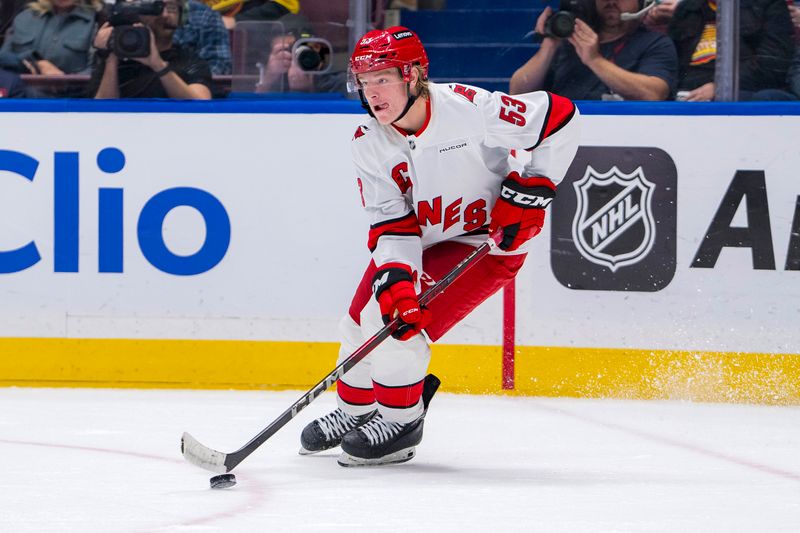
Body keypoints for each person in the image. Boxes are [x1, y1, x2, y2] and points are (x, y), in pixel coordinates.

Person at [298, 27, 580, 467]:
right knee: (360, 319)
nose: (371, 93)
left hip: (487, 245)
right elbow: (392, 224)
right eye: (363, 81)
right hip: (424, 243)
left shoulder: (469, 108)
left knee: (391, 326)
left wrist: (534, 187)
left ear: (412, 76)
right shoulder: (368, 141)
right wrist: (397, 278)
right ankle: (355, 410)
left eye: (381, 78)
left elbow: (559, 117)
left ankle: (401, 421)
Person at [510, 0, 677, 100]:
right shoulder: (570, 43)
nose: (611, 1)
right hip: (563, 131)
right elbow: (518, 92)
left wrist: (594, 60)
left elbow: (653, 93)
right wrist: (549, 44)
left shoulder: (655, 43)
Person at [668, 0, 794, 101]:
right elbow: (670, 62)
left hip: (741, 93)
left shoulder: (770, 4)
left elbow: (773, 64)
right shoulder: (687, 8)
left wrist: (719, 87)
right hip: (687, 93)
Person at [89, 0, 212, 98]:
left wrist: (158, 64)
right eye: (156, 8)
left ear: (181, 17)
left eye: (171, 8)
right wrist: (111, 59)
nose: (164, 15)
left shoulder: (190, 60)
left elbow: (201, 105)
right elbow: (101, 111)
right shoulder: (114, 60)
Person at [0, 0, 101, 75]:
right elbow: (3, 59)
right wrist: (35, 64)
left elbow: (95, 73)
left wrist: (63, 81)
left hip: (71, 98)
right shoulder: (24, 18)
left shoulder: (97, 21)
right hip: (21, 96)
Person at [252, 13, 344, 94]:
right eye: (284, 51)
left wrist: (308, 88)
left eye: (298, 49)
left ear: (315, 49)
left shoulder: (335, 82)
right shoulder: (275, 81)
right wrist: (269, 79)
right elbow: (253, 110)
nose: (294, 57)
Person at [173, 0, 231, 75]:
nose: (165, 14)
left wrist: (195, 82)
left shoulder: (204, 14)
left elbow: (220, 64)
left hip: (192, 82)